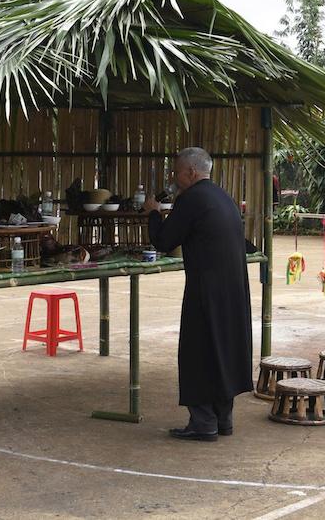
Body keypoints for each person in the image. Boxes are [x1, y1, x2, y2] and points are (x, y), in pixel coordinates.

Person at [143, 147, 253, 441]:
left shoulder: (191, 199)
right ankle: (223, 419)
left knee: (198, 352)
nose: (174, 178)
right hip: (233, 291)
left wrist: (154, 214)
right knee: (224, 350)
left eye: (176, 172)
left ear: (190, 172)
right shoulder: (223, 197)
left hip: (206, 291)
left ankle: (203, 423)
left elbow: (165, 241)